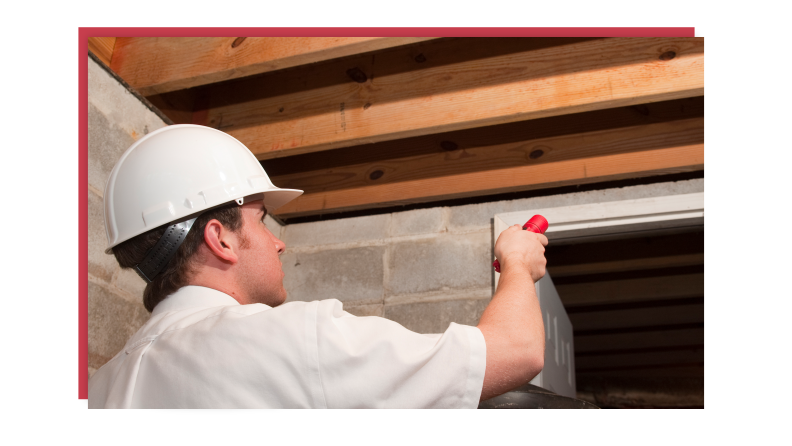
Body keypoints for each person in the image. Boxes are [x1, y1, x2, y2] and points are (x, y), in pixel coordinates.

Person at [88, 124, 547, 408]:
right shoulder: (289, 338)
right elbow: (516, 350)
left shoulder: (101, 389)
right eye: (263, 222)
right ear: (221, 238)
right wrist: (518, 263)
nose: (279, 244)